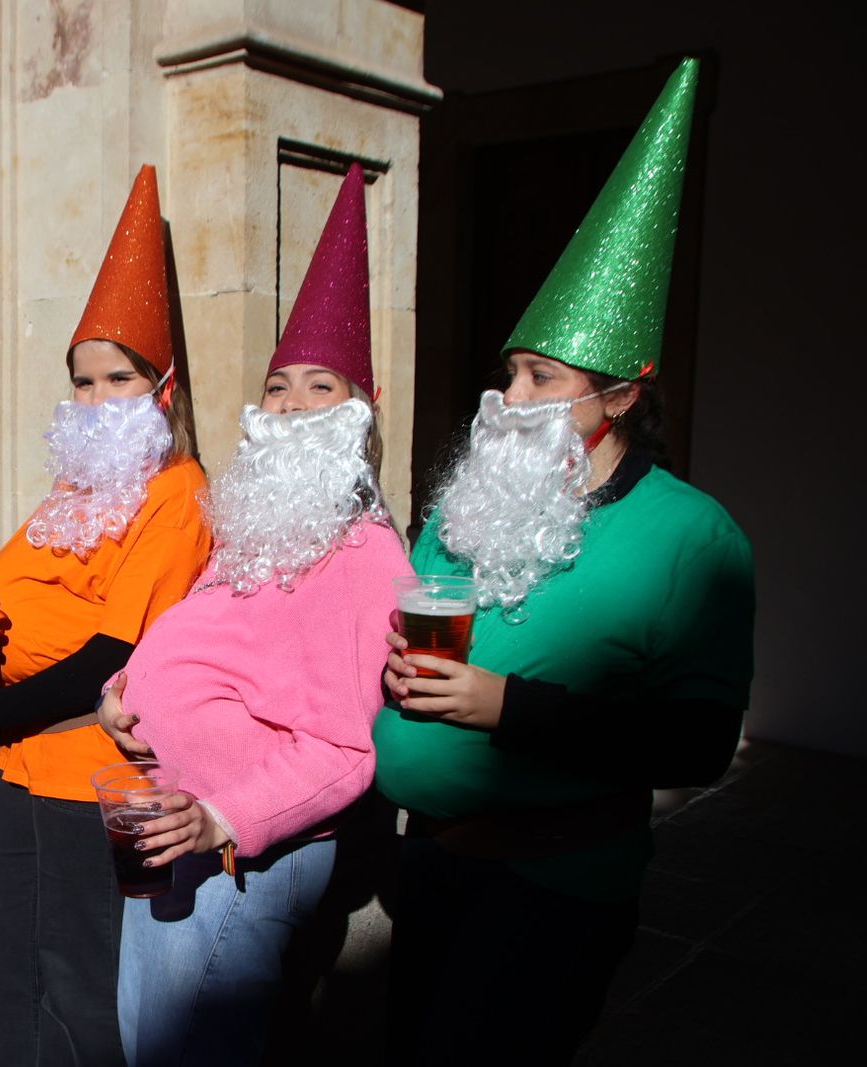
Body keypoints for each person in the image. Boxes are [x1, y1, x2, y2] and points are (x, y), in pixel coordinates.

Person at [374, 59, 754, 1066]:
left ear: (621, 394)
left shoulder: (694, 538)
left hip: (551, 887)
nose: (508, 393)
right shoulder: (464, 506)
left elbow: (698, 744)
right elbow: (409, 642)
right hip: (424, 867)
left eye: (540, 375)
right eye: (509, 370)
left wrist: (507, 706)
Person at [95, 164, 411, 1067]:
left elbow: (346, 746)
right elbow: (199, 640)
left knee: (189, 1049)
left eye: (322, 387)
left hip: (239, 852)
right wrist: (125, 694)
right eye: (280, 387)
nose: (293, 406)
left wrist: (224, 816)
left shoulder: (364, 553)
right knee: (146, 1041)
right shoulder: (256, 525)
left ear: (361, 413)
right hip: (171, 822)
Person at [0, 165, 212, 1067]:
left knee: (76, 987)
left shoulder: (177, 495)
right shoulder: (75, 490)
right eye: (83, 381)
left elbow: (114, 648)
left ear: (164, 388)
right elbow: (6, 589)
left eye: (118, 379)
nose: (97, 399)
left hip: (89, 775)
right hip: (22, 765)